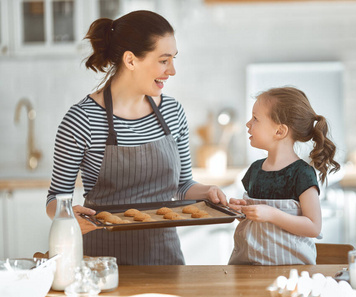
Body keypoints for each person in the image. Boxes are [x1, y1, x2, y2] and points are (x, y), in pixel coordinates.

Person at [46, 10, 226, 265]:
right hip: (101, 264)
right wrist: (66, 215)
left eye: (173, 59)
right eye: (164, 60)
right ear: (130, 60)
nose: (172, 70)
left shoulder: (172, 112)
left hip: (165, 260)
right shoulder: (82, 119)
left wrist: (207, 191)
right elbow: (55, 198)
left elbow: (183, 185)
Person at [228, 86, 340, 265]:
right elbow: (253, 222)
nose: (248, 124)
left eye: (255, 118)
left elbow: (313, 226)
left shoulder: (301, 174)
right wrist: (241, 210)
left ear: (280, 131)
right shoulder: (254, 170)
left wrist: (272, 214)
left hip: (291, 273)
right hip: (248, 269)